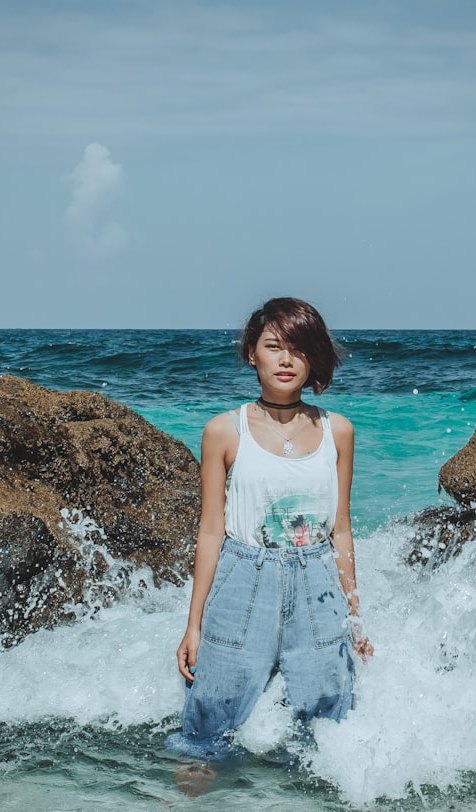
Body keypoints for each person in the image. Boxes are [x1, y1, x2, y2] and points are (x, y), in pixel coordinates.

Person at [165, 296, 372, 766]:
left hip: (319, 588)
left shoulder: (338, 430)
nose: (285, 360)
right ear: (252, 354)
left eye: (298, 349)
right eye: (273, 346)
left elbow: (341, 530)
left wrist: (355, 618)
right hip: (243, 580)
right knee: (208, 726)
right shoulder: (224, 431)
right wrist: (193, 624)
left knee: (326, 729)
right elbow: (211, 529)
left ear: (314, 357)